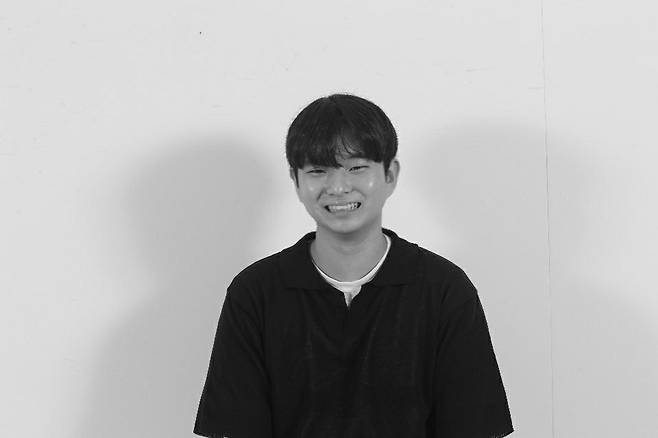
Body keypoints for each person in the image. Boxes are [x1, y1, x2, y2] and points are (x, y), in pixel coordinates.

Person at [193, 94, 514, 438]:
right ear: (296, 181)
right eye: (318, 170)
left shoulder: (444, 290)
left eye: (356, 167)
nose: (338, 187)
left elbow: (474, 427)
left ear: (390, 174)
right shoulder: (255, 293)